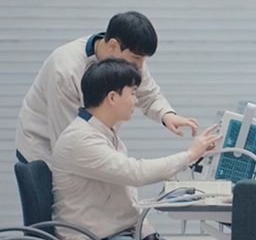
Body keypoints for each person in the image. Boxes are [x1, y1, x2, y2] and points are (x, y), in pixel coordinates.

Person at [51, 58, 222, 240]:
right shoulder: (81, 139)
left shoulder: (104, 133)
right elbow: (136, 173)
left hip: (116, 233)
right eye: (132, 93)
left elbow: (126, 192)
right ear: (112, 97)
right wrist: (190, 155)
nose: (136, 100)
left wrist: (148, 233)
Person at [15, 11, 199, 165]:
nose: (140, 66)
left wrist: (167, 115)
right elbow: (66, 140)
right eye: (136, 58)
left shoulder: (129, 60)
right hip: (43, 151)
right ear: (112, 45)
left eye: (143, 59)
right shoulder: (66, 69)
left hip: (86, 147)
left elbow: (148, 95)